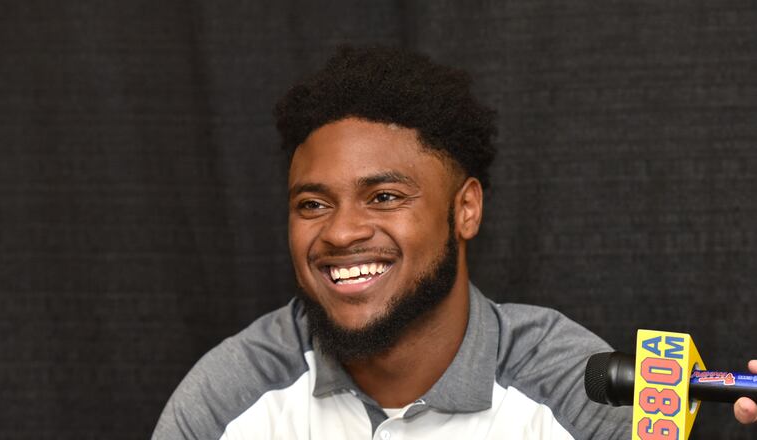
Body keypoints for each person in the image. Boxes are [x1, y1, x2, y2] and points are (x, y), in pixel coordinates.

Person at [153, 46, 757, 439]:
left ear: (465, 208)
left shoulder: (572, 382)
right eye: (312, 205)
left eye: (385, 197)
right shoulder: (231, 396)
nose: (339, 232)